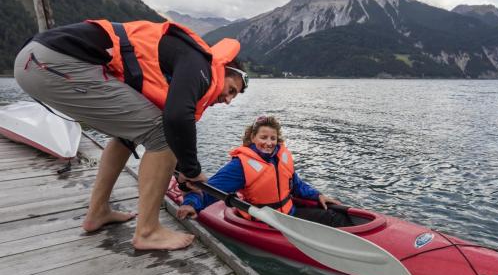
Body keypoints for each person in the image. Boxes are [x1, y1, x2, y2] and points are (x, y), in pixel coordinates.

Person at [13, 19, 249, 250]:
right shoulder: (201, 64)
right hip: (51, 62)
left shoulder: (183, 62)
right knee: (162, 132)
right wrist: (192, 171)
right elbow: (177, 119)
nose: (227, 100)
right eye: (231, 91)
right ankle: (148, 231)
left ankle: (98, 212)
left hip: (38, 59)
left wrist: (182, 171)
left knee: (127, 135)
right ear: (225, 69)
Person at [176, 115, 352, 227]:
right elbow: (210, 190)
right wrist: (191, 204)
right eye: (263, 137)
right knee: (333, 220)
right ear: (252, 138)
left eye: (273, 138)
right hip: (265, 223)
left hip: (289, 216)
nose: (269, 143)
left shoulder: (280, 158)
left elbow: (295, 184)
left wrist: (317, 195)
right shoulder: (240, 165)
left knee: (335, 215)